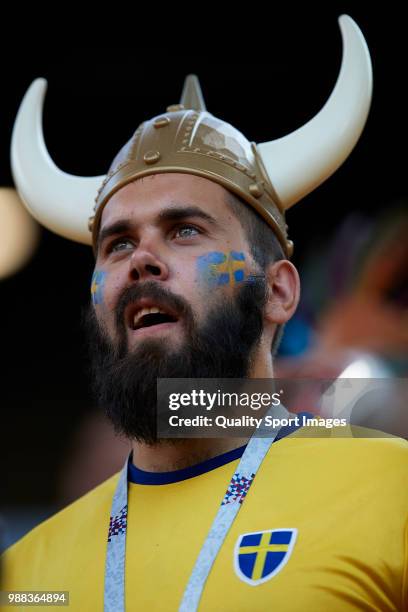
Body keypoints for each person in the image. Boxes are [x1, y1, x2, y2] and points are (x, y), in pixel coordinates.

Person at [2, 16, 407, 612]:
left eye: (184, 230)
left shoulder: (392, 490)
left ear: (279, 292)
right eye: (117, 243)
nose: (142, 258)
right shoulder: (24, 575)